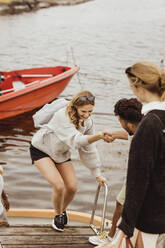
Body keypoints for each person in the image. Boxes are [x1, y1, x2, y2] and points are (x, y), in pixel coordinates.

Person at [96, 61, 165, 248]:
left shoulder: (148, 125)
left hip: (149, 218)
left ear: (137, 86)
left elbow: (138, 179)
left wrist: (126, 224)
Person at [30, 90, 112, 232]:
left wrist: (97, 173)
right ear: (75, 107)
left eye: (90, 112)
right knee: (59, 185)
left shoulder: (88, 123)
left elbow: (88, 148)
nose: (86, 115)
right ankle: (58, 215)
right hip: (41, 149)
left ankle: (61, 209)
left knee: (72, 187)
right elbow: (77, 140)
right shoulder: (62, 115)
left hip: (60, 153)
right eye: (83, 111)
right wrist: (99, 135)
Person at [89, 98, 143, 246]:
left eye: (120, 120)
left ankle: (110, 237)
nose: (120, 123)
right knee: (122, 203)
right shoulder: (144, 125)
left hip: (139, 176)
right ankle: (114, 235)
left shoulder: (142, 136)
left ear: (128, 122)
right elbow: (128, 134)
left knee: (121, 203)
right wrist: (113, 134)